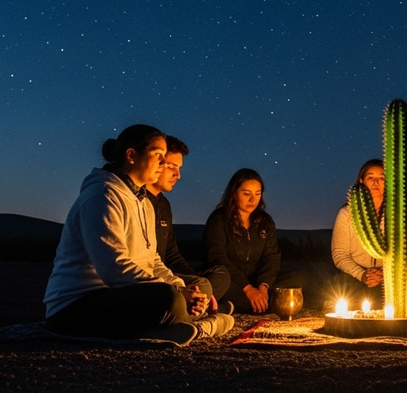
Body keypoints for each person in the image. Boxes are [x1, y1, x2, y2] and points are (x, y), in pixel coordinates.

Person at [44, 124, 233, 345]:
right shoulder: (102, 196)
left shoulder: (144, 203)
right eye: (158, 157)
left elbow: (152, 260)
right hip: (77, 306)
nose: (163, 165)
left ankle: (174, 325)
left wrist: (181, 286)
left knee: (180, 294)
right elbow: (113, 268)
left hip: (121, 296)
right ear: (132, 155)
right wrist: (177, 293)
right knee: (168, 299)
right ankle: (199, 324)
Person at [146, 135, 232, 313]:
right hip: (150, 278)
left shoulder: (163, 205)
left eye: (179, 168)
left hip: (167, 273)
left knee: (220, 275)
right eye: (171, 166)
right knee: (203, 285)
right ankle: (205, 308)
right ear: (156, 163)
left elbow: (171, 254)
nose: (177, 175)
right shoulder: (136, 201)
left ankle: (201, 302)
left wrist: (192, 281)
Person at [204, 168, 306, 314]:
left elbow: (271, 257)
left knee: (298, 278)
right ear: (234, 193)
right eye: (246, 194)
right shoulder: (219, 219)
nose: (253, 199)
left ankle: (261, 301)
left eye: (257, 193)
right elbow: (216, 257)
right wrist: (247, 288)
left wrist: (263, 287)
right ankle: (269, 304)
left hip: (257, 282)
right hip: (234, 283)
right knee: (224, 286)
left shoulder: (265, 222)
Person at [328, 159, 386, 310]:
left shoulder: (396, 216)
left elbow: (404, 254)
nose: (376, 182)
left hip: (387, 276)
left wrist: (382, 273)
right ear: (361, 181)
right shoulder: (347, 213)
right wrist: (362, 274)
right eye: (370, 177)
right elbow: (340, 254)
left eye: (381, 178)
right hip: (355, 275)